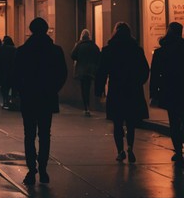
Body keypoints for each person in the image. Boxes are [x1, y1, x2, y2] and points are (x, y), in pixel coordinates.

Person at [12, 17, 67, 185]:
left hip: (29, 97)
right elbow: (62, 74)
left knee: (29, 134)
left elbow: (15, 75)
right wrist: (52, 89)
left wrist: (21, 90)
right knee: (45, 134)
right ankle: (43, 168)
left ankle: (31, 169)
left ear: (30, 30)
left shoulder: (22, 51)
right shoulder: (55, 50)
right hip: (47, 97)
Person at [95, 21, 149, 163]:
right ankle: (130, 146)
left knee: (117, 121)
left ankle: (120, 150)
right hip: (132, 89)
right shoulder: (137, 49)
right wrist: (138, 82)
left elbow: (101, 71)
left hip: (116, 89)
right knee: (131, 121)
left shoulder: (108, 50)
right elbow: (144, 69)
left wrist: (99, 89)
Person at [151, 21, 184, 164]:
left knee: (174, 121)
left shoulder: (161, 51)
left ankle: (178, 150)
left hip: (169, 90)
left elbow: (155, 74)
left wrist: (154, 93)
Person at [70, 29, 101, 116]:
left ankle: (86, 106)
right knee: (88, 86)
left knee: (83, 88)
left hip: (81, 70)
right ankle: (90, 105)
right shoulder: (93, 46)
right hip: (91, 70)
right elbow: (98, 56)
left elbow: (72, 55)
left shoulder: (79, 45)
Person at [0, 35, 17, 109]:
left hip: (3, 70)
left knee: (4, 87)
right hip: (12, 71)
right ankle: (12, 101)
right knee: (13, 86)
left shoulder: (1, 49)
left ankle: (5, 101)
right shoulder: (14, 49)